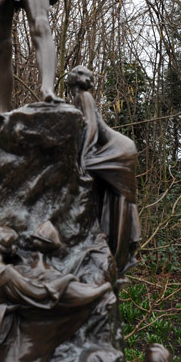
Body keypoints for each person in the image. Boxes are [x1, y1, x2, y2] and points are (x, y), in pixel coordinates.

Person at [66, 65, 141, 276]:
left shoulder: (83, 97)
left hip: (119, 151)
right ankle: (114, 252)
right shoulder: (81, 98)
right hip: (119, 149)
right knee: (110, 199)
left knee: (119, 201)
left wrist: (81, 160)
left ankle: (118, 253)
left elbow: (90, 131)